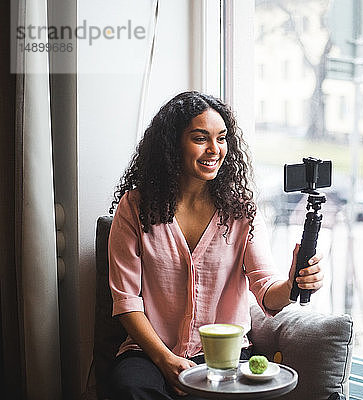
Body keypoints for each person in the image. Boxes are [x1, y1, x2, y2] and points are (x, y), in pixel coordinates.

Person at [107, 91, 324, 399]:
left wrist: (293, 284)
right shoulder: (135, 207)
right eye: (200, 138)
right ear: (172, 145)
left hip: (227, 358)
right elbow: (126, 300)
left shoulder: (240, 211)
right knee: (130, 388)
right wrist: (165, 360)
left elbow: (266, 292)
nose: (215, 149)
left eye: (221, 138)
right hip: (150, 354)